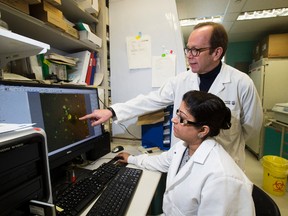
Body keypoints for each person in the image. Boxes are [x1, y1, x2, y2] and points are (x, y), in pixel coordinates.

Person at [79, 22, 263, 170]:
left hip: (224, 164)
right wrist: (112, 111)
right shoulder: (181, 80)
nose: (190, 56)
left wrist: (226, 140)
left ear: (217, 52)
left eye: (196, 50)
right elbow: (151, 100)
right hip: (185, 162)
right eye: (188, 49)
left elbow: (251, 127)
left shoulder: (241, 82)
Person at [117, 90, 255, 216]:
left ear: (203, 130)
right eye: (177, 113)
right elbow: (160, 161)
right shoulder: (183, 147)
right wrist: (132, 159)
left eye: (182, 118)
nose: (173, 120)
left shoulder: (221, 178)